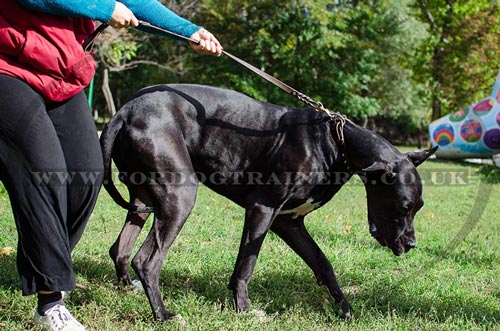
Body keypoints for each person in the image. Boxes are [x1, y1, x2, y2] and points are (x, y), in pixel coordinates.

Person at [0, 1, 222, 330]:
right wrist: (102, 7)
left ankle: (45, 262)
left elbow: (134, 3)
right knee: (44, 170)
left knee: (86, 171)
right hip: (8, 65)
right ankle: (49, 300)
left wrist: (189, 31)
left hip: (60, 68)